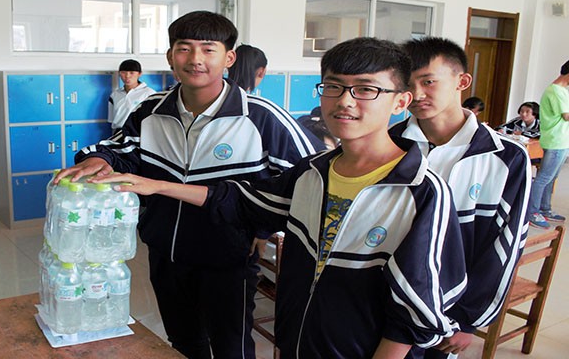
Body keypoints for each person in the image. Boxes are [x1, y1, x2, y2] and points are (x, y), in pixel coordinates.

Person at [90, 37, 468, 359]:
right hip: (298, 342)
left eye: (366, 89)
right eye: (333, 87)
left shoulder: (419, 191)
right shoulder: (312, 174)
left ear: (401, 102)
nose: (345, 101)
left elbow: (414, 312)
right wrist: (158, 186)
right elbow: (241, 200)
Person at [55, 11, 324, 359]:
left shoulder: (260, 116)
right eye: (184, 48)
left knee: (231, 349)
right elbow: (122, 149)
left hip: (229, 259)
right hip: (165, 253)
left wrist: (263, 225)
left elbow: (309, 180)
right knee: (183, 343)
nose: (196, 59)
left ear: (229, 58)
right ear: (171, 56)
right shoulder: (152, 109)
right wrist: (101, 159)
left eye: (208, 49)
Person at [389, 37, 531, 359]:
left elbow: (505, 244)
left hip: (450, 311)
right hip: (387, 300)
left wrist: (468, 319)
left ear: (462, 81)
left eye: (428, 81)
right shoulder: (390, 144)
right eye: (408, 84)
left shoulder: (505, 156)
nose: (417, 94)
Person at [525, 60, 569, 228]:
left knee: (551, 177)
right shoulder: (555, 91)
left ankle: (545, 209)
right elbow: (566, 116)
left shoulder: (562, 90)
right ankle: (532, 212)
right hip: (555, 141)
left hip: (561, 140)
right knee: (543, 178)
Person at [108, 59, 157, 131]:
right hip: (118, 132)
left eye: (132, 73)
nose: (127, 76)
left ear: (139, 74)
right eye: (123, 72)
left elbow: (154, 119)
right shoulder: (114, 95)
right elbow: (112, 120)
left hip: (139, 132)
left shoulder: (149, 94)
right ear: (119, 73)